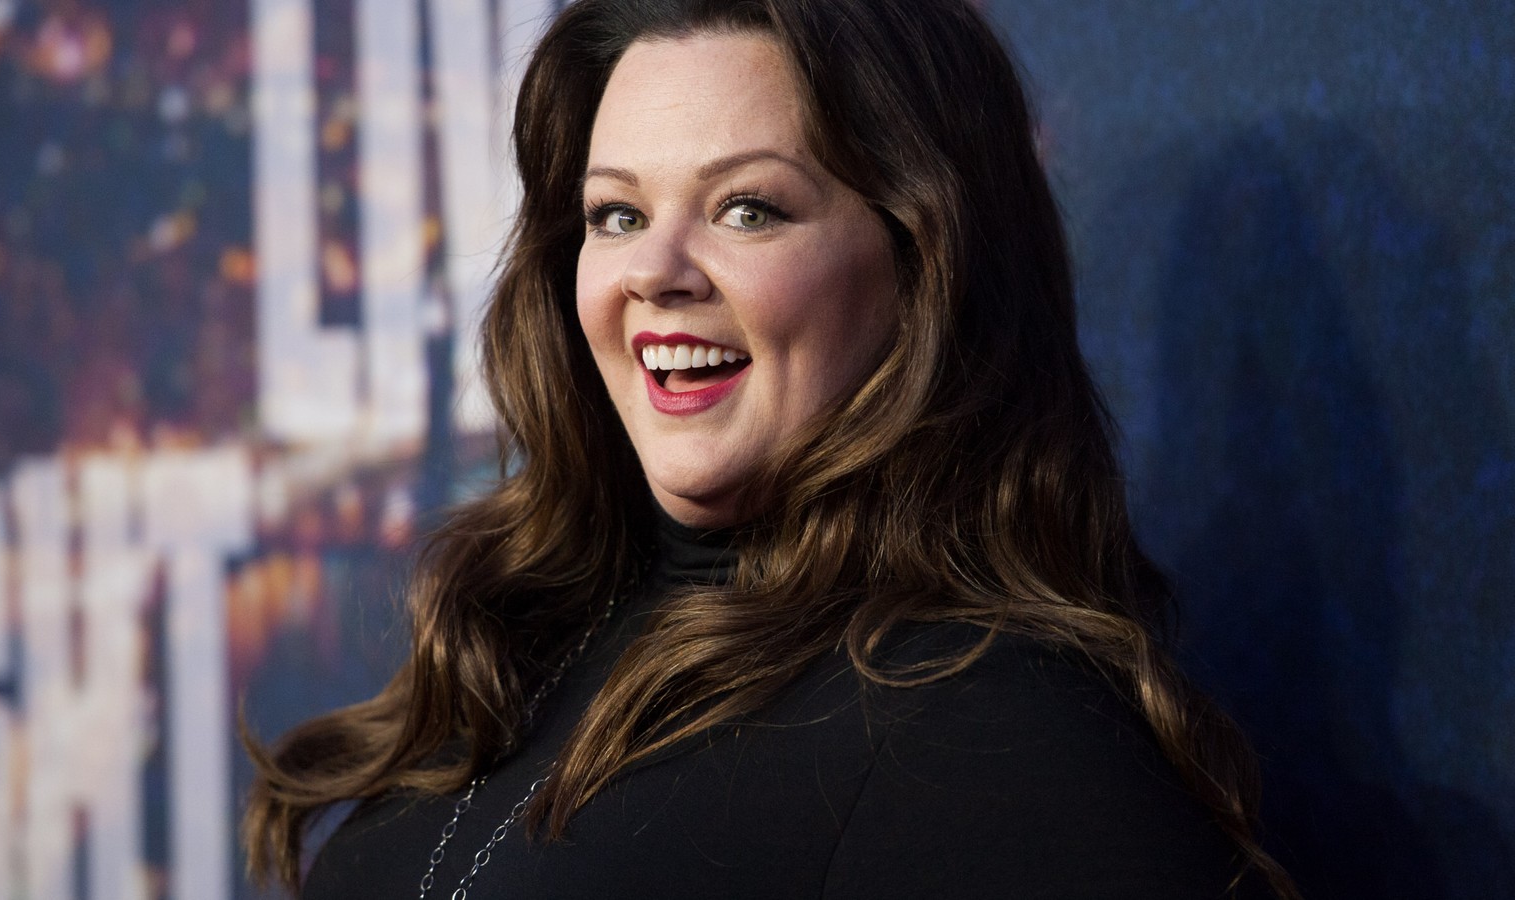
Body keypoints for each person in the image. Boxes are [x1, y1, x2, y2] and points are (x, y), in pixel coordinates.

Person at [244, 0, 1300, 897]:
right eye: (614, 214)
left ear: (921, 263)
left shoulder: (994, 736)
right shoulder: (518, 642)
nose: (655, 269)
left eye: (747, 209)